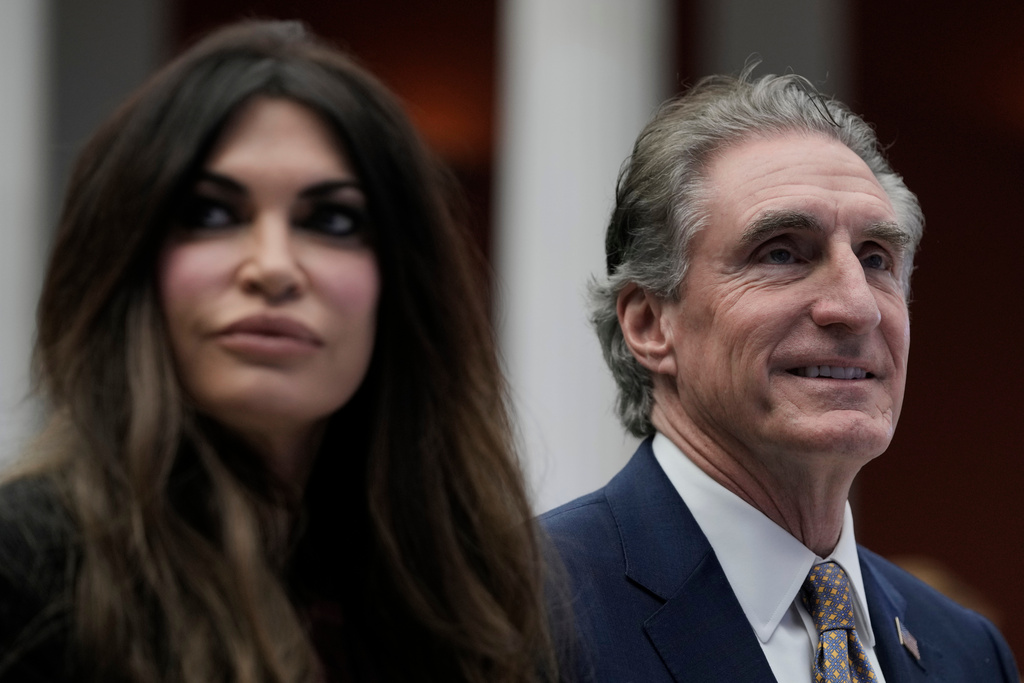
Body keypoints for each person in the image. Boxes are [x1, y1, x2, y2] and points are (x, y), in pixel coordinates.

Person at [0, 20, 558, 683]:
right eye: (212, 213)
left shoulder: (469, 592)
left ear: (398, 285)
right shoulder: (23, 567)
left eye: (332, 221)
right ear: (132, 261)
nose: (272, 266)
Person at [541, 70, 1019, 682]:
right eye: (783, 253)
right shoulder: (515, 611)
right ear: (650, 323)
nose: (857, 305)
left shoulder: (967, 651)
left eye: (876, 258)